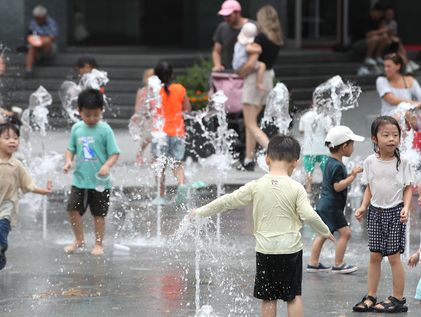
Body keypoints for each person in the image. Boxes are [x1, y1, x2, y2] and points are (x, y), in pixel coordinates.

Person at [191, 135, 333, 317]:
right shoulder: (297, 188)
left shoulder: (257, 185)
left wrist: (201, 211)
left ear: (266, 159)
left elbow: (228, 201)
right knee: (293, 296)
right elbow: (308, 215)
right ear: (295, 163)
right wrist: (324, 231)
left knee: (268, 297)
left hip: (265, 249)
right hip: (290, 249)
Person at [353, 116, 413, 313]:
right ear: (374, 138)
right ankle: (371, 295)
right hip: (375, 212)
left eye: (395, 135)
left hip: (395, 212)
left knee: (394, 257)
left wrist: (406, 207)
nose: (391, 139)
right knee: (374, 255)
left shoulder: (402, 161)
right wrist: (363, 206)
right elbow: (370, 186)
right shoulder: (370, 161)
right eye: (385, 135)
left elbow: (408, 187)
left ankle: (397, 298)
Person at [63, 89, 120, 256]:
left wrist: (107, 166)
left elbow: (115, 153)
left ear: (102, 110)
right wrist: (68, 161)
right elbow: (70, 149)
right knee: (72, 209)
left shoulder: (105, 130)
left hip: (100, 182)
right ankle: (79, 240)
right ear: (79, 111)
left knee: (99, 214)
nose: (92, 119)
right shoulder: (77, 128)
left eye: (96, 115)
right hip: (79, 180)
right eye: (88, 115)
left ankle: (98, 244)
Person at [307, 125, 364, 274]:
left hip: (325, 204)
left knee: (324, 233)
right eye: (352, 144)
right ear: (344, 146)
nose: (353, 147)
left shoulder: (329, 162)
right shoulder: (338, 166)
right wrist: (352, 175)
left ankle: (313, 263)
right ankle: (338, 264)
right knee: (346, 233)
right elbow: (337, 186)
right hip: (332, 206)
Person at [237, 5, 283, 171]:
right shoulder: (276, 39)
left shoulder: (260, 39)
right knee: (252, 122)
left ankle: (277, 153)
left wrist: (239, 72)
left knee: (250, 122)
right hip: (268, 78)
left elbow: (250, 64)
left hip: (254, 79)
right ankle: (249, 159)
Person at [0, 123, 52, 270]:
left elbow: (29, 185)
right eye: (7, 138)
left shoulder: (17, 165)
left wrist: (44, 191)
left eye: (16, 138)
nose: (12, 141)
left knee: (0, 232)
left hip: (6, 209)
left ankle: (1, 249)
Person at [152, 62, 191, 205]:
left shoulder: (154, 91)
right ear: (172, 74)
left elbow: (149, 110)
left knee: (160, 165)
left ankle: (160, 195)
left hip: (160, 134)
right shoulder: (180, 89)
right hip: (177, 132)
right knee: (177, 163)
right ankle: (181, 184)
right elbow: (187, 108)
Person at [298, 105, 333, 194]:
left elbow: (301, 130)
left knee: (308, 172)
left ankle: (308, 191)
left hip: (309, 149)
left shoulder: (305, 116)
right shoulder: (325, 117)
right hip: (322, 149)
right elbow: (329, 131)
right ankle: (327, 190)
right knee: (325, 172)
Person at [212, 0, 250, 72]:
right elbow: (216, 51)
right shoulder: (222, 27)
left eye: (229, 15)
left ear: (238, 12)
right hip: (228, 72)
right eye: (224, 16)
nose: (226, 18)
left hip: (248, 73)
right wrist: (217, 65)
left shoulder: (251, 27)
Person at [25, 5, 59, 77]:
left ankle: (43, 58)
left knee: (47, 41)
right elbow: (29, 35)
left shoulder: (51, 22)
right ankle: (28, 70)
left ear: (44, 17)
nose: (38, 20)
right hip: (36, 45)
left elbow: (53, 37)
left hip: (49, 47)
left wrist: (41, 39)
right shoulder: (33, 23)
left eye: (40, 19)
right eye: (37, 18)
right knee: (31, 47)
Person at [232, 22, 266, 91]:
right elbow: (248, 49)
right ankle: (259, 82)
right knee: (262, 65)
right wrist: (259, 50)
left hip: (235, 66)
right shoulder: (248, 44)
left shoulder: (238, 43)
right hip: (242, 65)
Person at [131, 68, 154, 165]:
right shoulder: (142, 91)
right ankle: (140, 153)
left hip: (155, 118)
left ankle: (154, 157)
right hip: (146, 119)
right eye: (148, 77)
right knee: (147, 138)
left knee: (156, 138)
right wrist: (137, 115)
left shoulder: (157, 91)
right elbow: (137, 105)